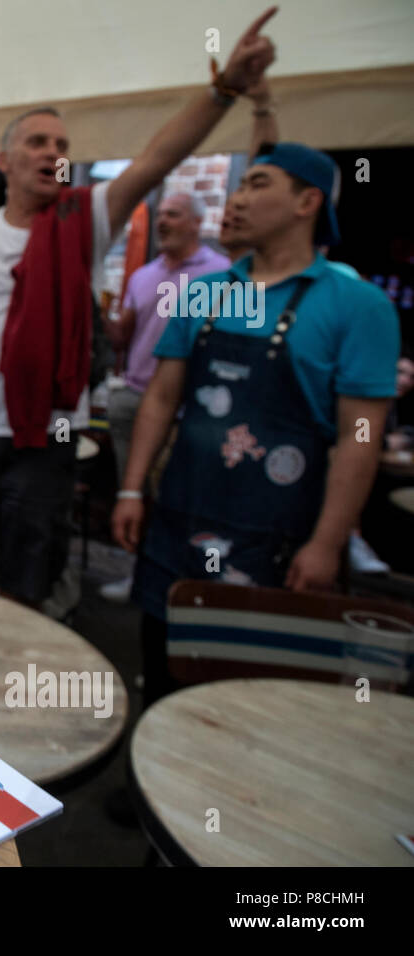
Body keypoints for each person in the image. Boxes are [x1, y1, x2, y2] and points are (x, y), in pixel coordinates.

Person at [0, 7, 281, 610]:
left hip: (48, 440)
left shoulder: (83, 220)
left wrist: (225, 88)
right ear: (5, 160)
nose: (53, 152)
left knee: (25, 589)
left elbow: (157, 159)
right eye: (37, 141)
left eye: (63, 145)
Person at [112, 143, 400, 706]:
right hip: (179, 514)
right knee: (163, 665)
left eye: (258, 184)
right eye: (241, 186)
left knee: (254, 692)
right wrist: (130, 487)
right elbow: (163, 397)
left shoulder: (356, 304)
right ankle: (145, 792)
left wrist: (326, 543)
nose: (238, 198)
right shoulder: (202, 292)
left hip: (278, 536)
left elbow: (358, 438)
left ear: (307, 202)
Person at [100, 194, 230, 602]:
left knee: (183, 500)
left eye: (172, 215)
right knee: (135, 492)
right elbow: (123, 338)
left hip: (191, 409)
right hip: (136, 399)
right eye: (162, 216)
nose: (162, 222)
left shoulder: (222, 274)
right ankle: (141, 576)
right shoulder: (143, 275)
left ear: (196, 222)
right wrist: (101, 310)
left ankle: (186, 585)